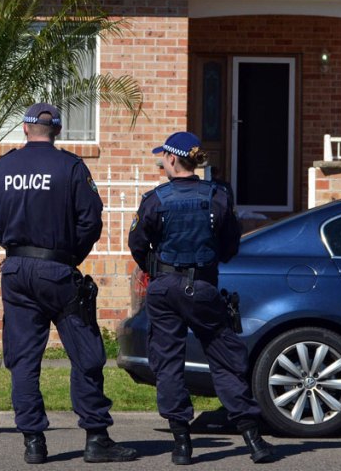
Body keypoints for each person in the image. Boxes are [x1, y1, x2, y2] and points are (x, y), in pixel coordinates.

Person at [0, 102, 137, 465]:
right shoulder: (70, 166)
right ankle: (96, 437)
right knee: (86, 353)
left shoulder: (2, 168)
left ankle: (33, 442)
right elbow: (91, 221)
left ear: (24, 128)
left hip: (17, 271)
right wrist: (69, 256)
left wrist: (17, 249)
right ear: (58, 130)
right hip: (58, 271)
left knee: (23, 359)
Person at [128, 131, 276, 465]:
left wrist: (156, 267)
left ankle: (181, 444)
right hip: (204, 286)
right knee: (224, 358)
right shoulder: (218, 196)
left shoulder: (155, 199)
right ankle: (253, 439)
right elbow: (230, 245)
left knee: (167, 362)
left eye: (163, 157)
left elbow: (137, 243)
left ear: (171, 159)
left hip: (165, 286)